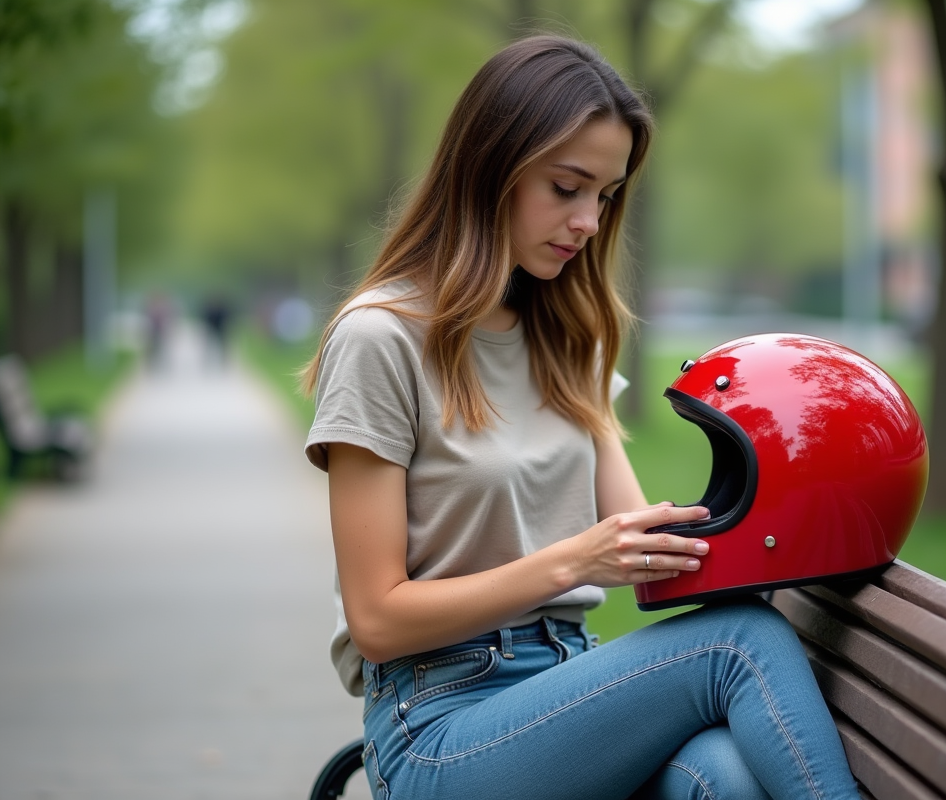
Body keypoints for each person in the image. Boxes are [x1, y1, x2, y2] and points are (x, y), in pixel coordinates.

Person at [302, 34, 858, 800]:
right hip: (437, 727)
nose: (590, 221)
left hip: (565, 693)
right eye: (567, 188)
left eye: (605, 194)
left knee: (723, 779)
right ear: (490, 167)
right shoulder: (381, 338)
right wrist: (573, 562)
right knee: (740, 644)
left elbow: (641, 545)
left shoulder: (566, 339)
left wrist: (777, 521)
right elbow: (378, 620)